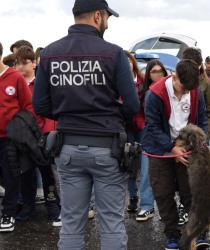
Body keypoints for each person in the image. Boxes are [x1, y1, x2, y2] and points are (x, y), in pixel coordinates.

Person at [32, 0, 140, 248]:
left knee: (71, 223)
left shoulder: (49, 53)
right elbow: (132, 104)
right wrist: (110, 117)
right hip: (107, 148)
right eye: (107, 19)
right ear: (98, 16)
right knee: (111, 222)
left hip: (67, 148)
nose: (108, 25)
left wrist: (67, 116)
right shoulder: (113, 53)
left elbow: (40, 105)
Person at [141, 59, 208, 250]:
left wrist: (193, 143)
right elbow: (152, 127)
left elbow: (202, 119)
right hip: (160, 150)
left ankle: (199, 233)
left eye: (190, 89)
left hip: (188, 147)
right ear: (175, 76)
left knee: (191, 193)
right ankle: (172, 235)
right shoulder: (154, 94)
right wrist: (171, 148)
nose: (187, 92)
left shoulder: (194, 91)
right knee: (163, 194)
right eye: (184, 88)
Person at [15, 45, 61, 227]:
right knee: (25, 174)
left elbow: (49, 110)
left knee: (47, 174)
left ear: (33, 63)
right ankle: (28, 205)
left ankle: (52, 205)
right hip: (22, 138)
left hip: (42, 136)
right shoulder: (16, 83)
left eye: (23, 63)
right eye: (17, 64)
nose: (19, 67)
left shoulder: (43, 82)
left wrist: (44, 134)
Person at [0, 41, 35, 233]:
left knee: (11, 175)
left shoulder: (14, 77)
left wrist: (21, 131)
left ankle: (8, 212)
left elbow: (28, 107)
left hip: (9, 138)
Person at [122, 51, 157, 222]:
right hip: (126, 128)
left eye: (128, 60)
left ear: (133, 62)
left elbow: (147, 108)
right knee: (129, 165)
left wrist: (143, 124)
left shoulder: (144, 81)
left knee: (145, 166)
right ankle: (133, 197)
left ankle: (147, 205)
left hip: (143, 128)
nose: (126, 63)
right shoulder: (117, 82)